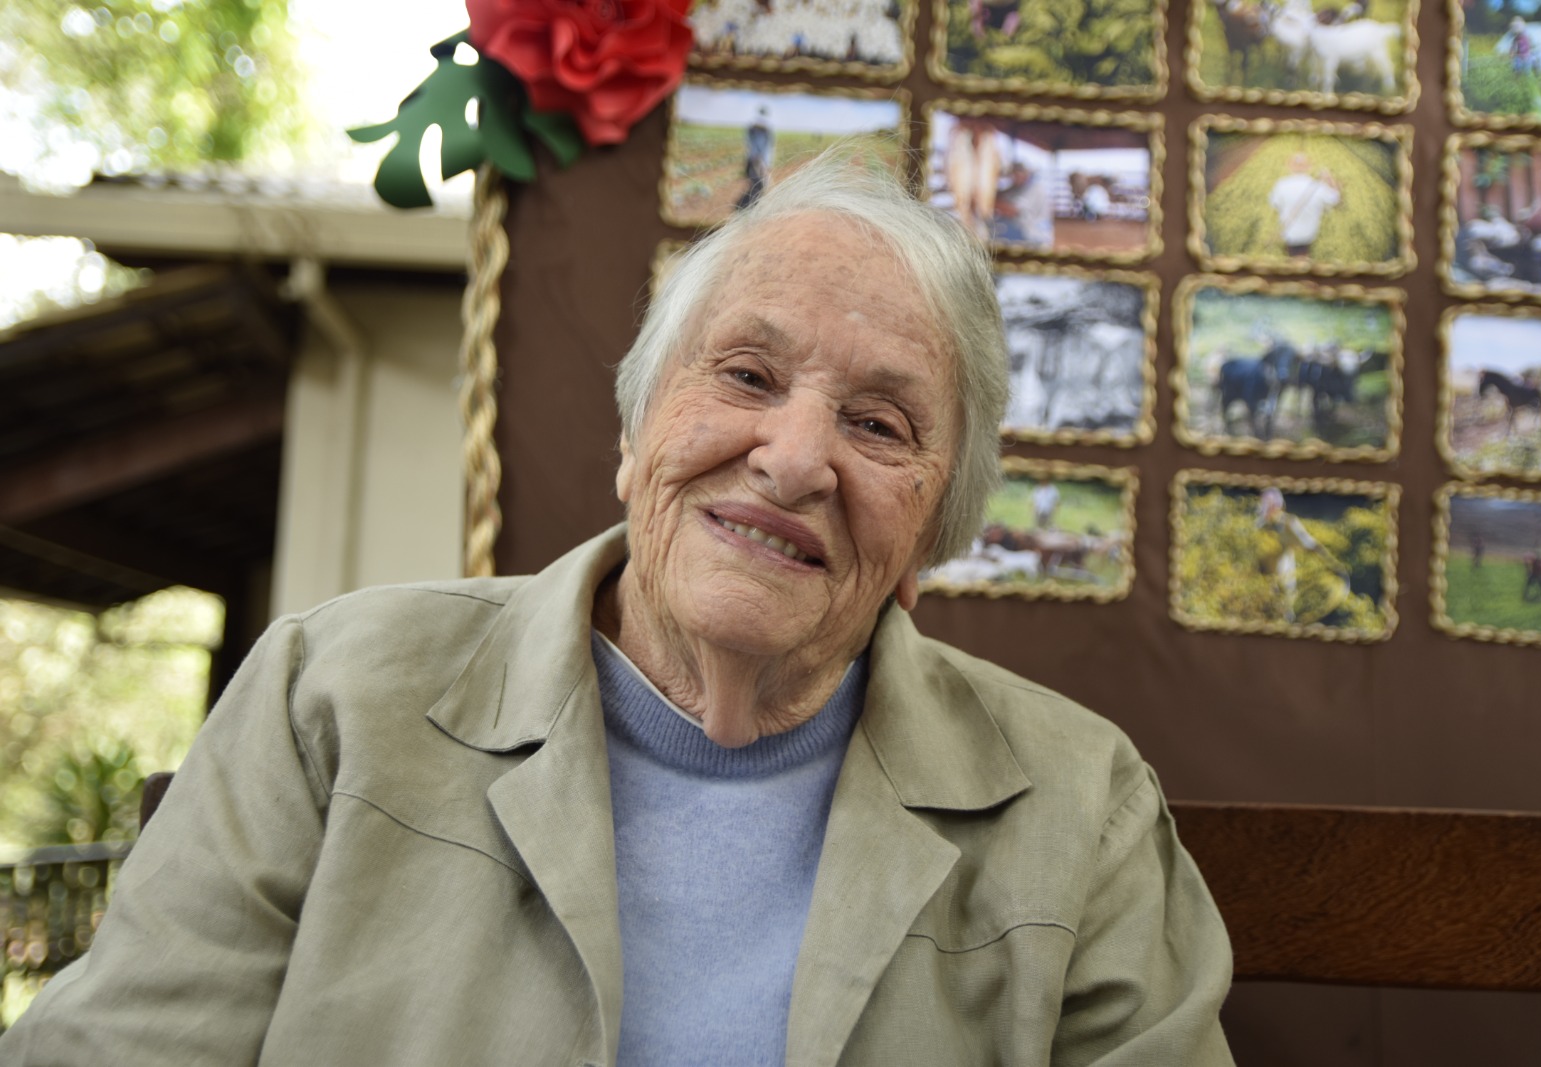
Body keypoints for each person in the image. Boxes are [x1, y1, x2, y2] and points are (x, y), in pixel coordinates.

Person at [0, 155, 1234, 1066]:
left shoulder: (1082, 811)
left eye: (878, 424)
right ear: (636, 439)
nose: (795, 457)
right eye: (746, 376)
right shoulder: (331, 694)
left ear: (928, 537)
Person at [1256, 488, 1337, 623]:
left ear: (1280, 506)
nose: (1269, 509)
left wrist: (1331, 563)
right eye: (1266, 505)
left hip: (1283, 588)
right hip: (1260, 589)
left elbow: (1310, 544)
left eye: (1272, 505)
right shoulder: (1259, 526)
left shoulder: (1288, 523)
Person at [1268, 152, 1341, 258]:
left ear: (1289, 166)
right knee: (1304, 258)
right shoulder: (1318, 187)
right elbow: (1335, 199)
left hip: (1289, 233)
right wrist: (1329, 178)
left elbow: (1275, 204)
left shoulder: (1281, 184)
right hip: (1309, 234)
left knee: (1291, 258)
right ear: (1309, 167)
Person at [735, 105, 775, 210]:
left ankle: (756, 204)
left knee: (761, 183)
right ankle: (753, 205)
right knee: (757, 182)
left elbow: (768, 147)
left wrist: (766, 162)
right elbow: (751, 144)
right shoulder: (753, 129)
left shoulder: (766, 130)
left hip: (760, 160)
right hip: (755, 159)